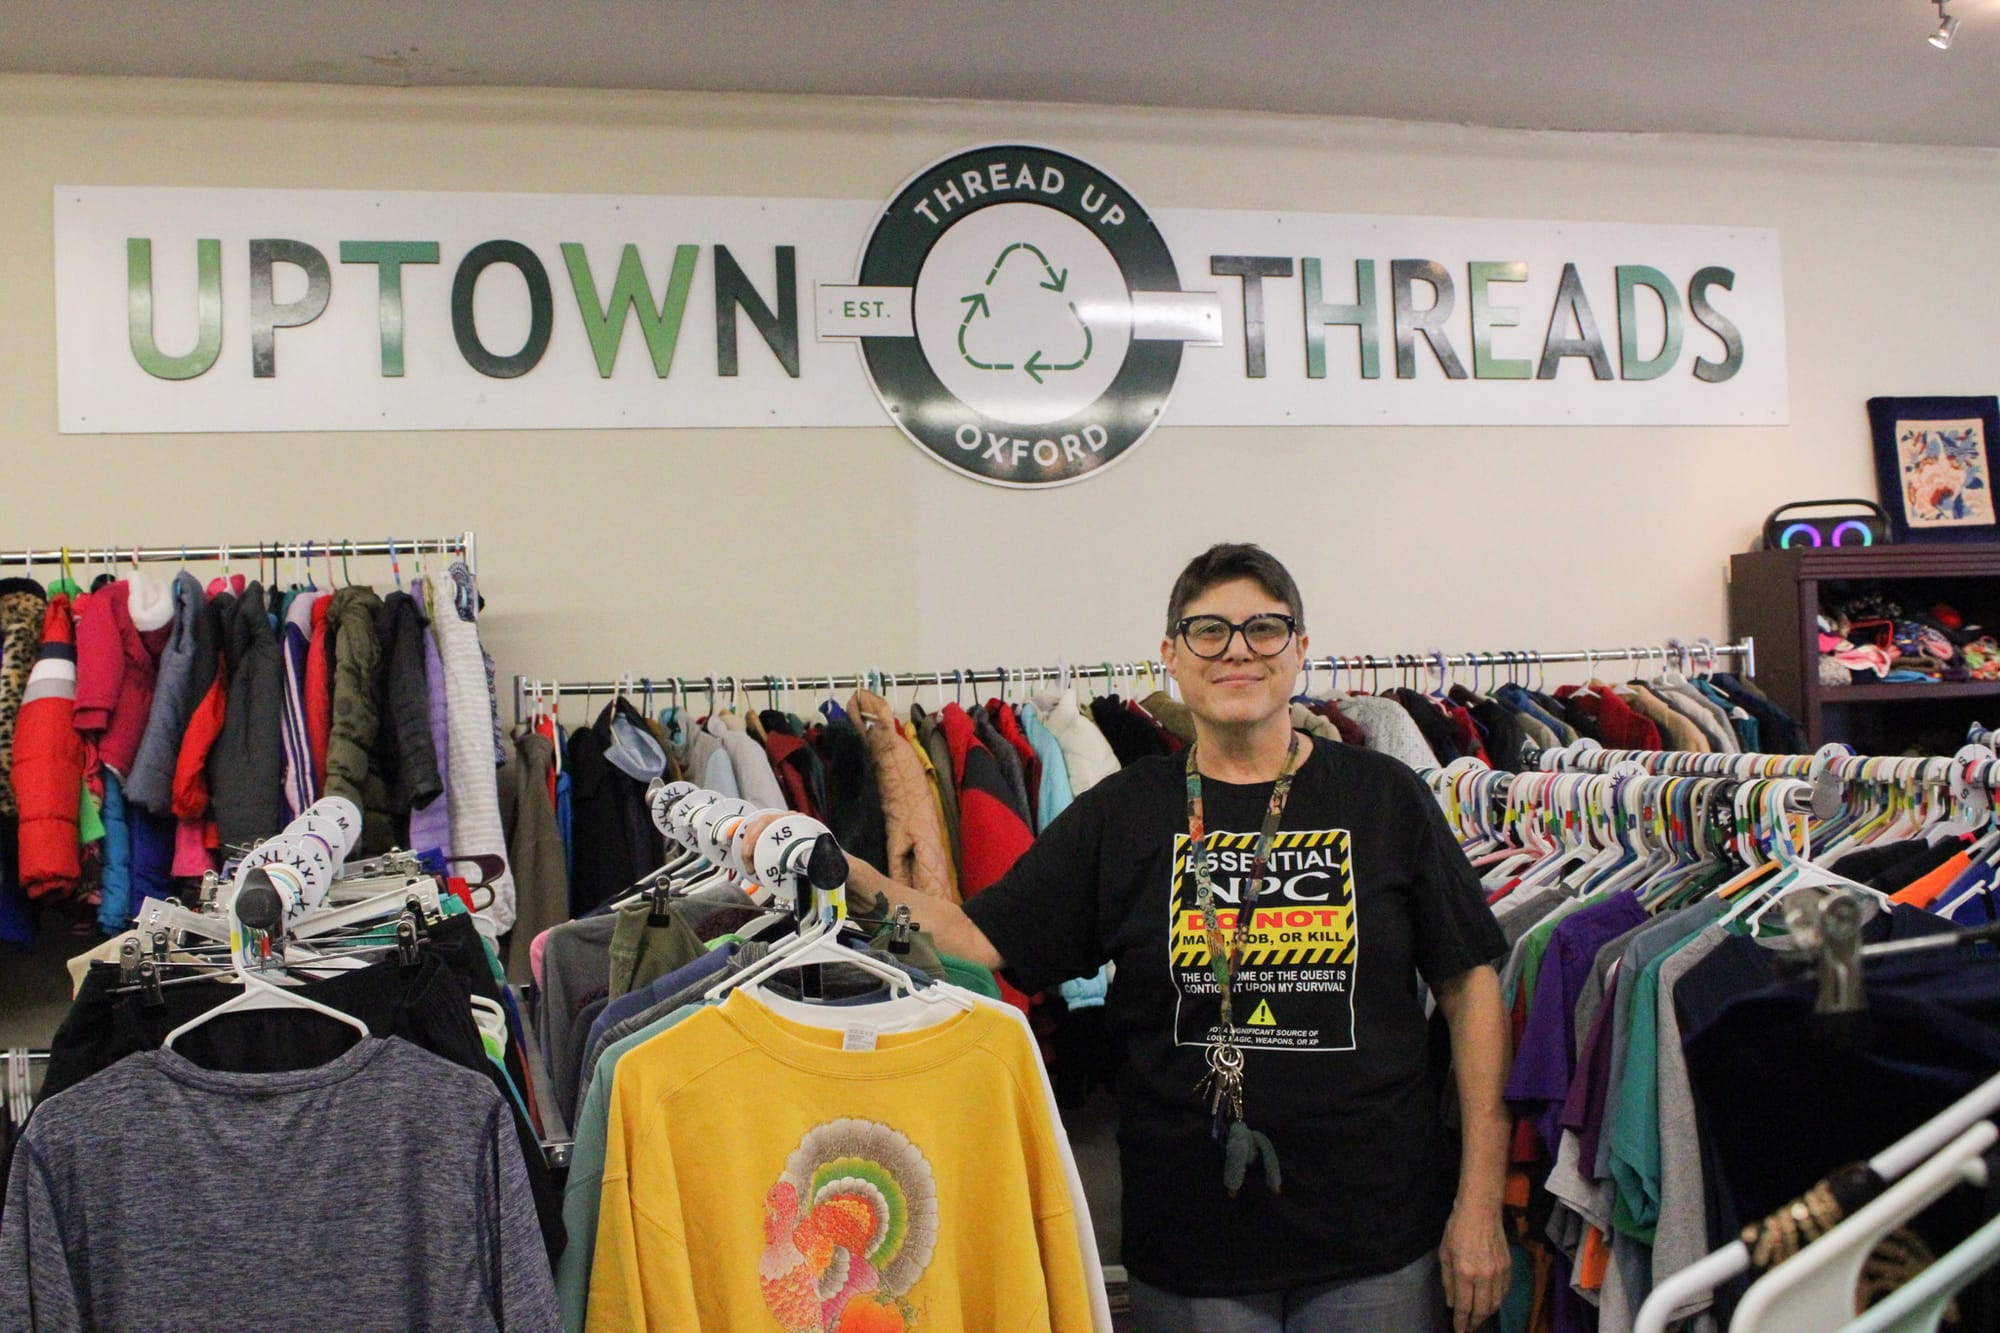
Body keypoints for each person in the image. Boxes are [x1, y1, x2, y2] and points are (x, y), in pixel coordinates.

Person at [746, 543, 1512, 1333]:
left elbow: (1470, 983)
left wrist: (1480, 1200)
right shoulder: (1125, 812)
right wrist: (829, 859)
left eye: (1264, 628)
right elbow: (976, 936)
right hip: (1194, 1250)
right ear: (1172, 655)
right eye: (1209, 630)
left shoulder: (1385, 797)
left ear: (1301, 649)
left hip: (1378, 1243)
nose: (1238, 649)